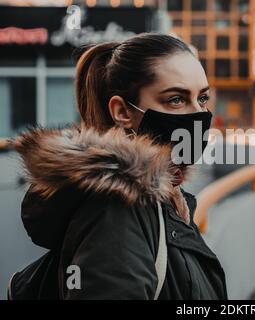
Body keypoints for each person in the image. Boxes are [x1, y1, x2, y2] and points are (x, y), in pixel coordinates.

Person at [11, 33, 227, 299]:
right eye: (176, 100)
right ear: (123, 112)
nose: (198, 114)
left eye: (202, 99)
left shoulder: (164, 195)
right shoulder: (118, 209)